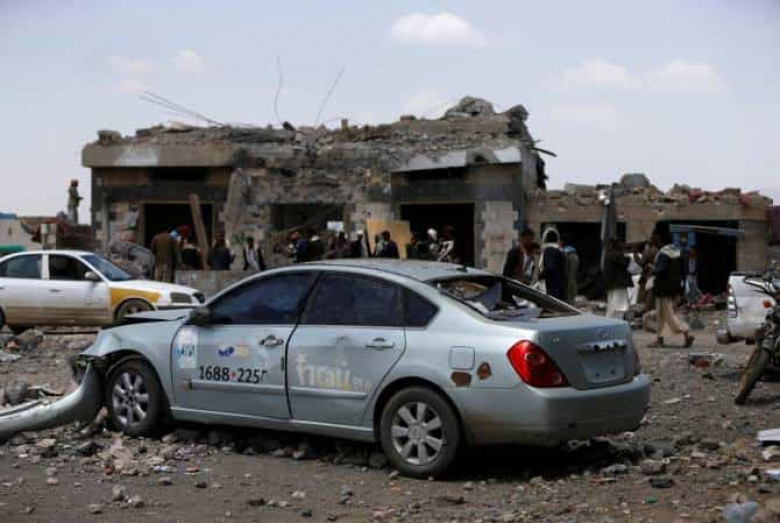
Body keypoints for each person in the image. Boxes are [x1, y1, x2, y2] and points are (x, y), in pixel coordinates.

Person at [650, 232, 695, 348]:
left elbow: (660, 270)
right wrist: (681, 289)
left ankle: (686, 332)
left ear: (660, 240)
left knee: (669, 314)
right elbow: (684, 272)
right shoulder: (677, 252)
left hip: (663, 288)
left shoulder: (664, 253)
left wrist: (652, 270)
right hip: (674, 287)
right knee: (661, 315)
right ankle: (659, 339)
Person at [603, 238, 633, 319]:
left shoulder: (608, 253)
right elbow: (624, 264)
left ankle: (610, 321)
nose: (623, 245)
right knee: (619, 305)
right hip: (618, 284)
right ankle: (617, 321)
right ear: (616, 244)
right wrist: (629, 258)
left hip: (611, 284)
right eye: (621, 243)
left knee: (611, 305)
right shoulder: (617, 254)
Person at [539, 228, 566, 300]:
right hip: (559, 285)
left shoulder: (549, 250)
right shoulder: (559, 250)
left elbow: (550, 266)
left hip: (551, 287)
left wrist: (540, 276)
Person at [561, 234, 580, 305]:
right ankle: (571, 299)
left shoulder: (566, 252)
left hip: (570, 257)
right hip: (573, 256)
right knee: (572, 278)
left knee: (570, 279)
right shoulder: (571, 252)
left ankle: (569, 299)